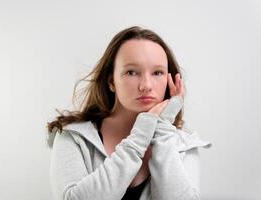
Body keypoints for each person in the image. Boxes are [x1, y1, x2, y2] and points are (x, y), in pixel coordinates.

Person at [46, 26, 212, 200]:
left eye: (157, 72)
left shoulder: (184, 145)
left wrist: (162, 130)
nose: (146, 85)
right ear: (112, 81)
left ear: (170, 80)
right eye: (131, 72)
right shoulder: (73, 136)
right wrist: (140, 136)